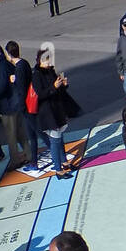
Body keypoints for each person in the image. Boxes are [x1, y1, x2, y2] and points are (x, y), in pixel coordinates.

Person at [32, 44, 78, 178]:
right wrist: (53, 87)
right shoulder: (36, 75)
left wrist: (63, 85)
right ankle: (58, 169)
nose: (49, 62)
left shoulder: (51, 70)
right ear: (40, 60)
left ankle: (65, 163)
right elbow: (40, 94)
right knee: (55, 141)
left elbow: (57, 88)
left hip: (57, 110)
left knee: (60, 138)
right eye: (46, 60)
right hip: (48, 113)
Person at [0, 42, 38, 175]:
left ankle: (16, 159)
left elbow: (3, 86)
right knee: (22, 133)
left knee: (12, 135)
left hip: (9, 106)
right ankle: (29, 155)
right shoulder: (9, 64)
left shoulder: (3, 66)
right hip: (16, 104)